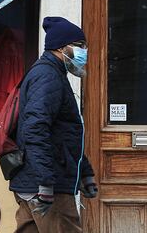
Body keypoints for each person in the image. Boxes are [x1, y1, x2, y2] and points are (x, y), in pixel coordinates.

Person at [10, 16, 97, 233]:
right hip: (48, 184)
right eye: (79, 46)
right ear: (61, 47)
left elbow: (64, 134)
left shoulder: (50, 74)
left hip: (34, 181)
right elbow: (35, 130)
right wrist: (46, 182)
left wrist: (84, 172)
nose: (84, 51)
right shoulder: (48, 76)